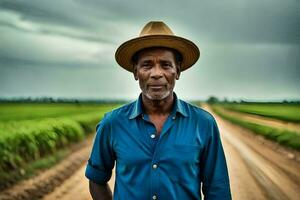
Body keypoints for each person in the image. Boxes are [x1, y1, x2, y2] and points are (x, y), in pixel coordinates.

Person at [85, 21, 231, 200]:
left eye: (165, 65)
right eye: (147, 65)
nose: (156, 73)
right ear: (135, 72)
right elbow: (96, 179)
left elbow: (218, 190)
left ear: (177, 71)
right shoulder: (113, 124)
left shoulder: (203, 124)